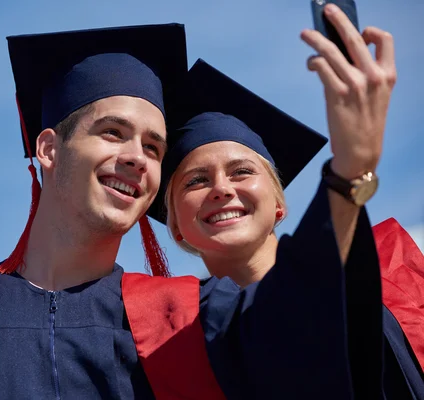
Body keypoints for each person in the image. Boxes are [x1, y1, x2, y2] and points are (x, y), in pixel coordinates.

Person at [0, 20, 382, 400]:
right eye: (112, 133)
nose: (137, 157)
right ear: (48, 150)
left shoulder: (192, 316)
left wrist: (348, 173)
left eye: (154, 148)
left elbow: (309, 329)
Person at [153, 7, 423, 398]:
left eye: (241, 171)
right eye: (196, 180)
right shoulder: (172, 340)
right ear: (176, 224)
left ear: (279, 205)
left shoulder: (399, 275)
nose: (221, 188)